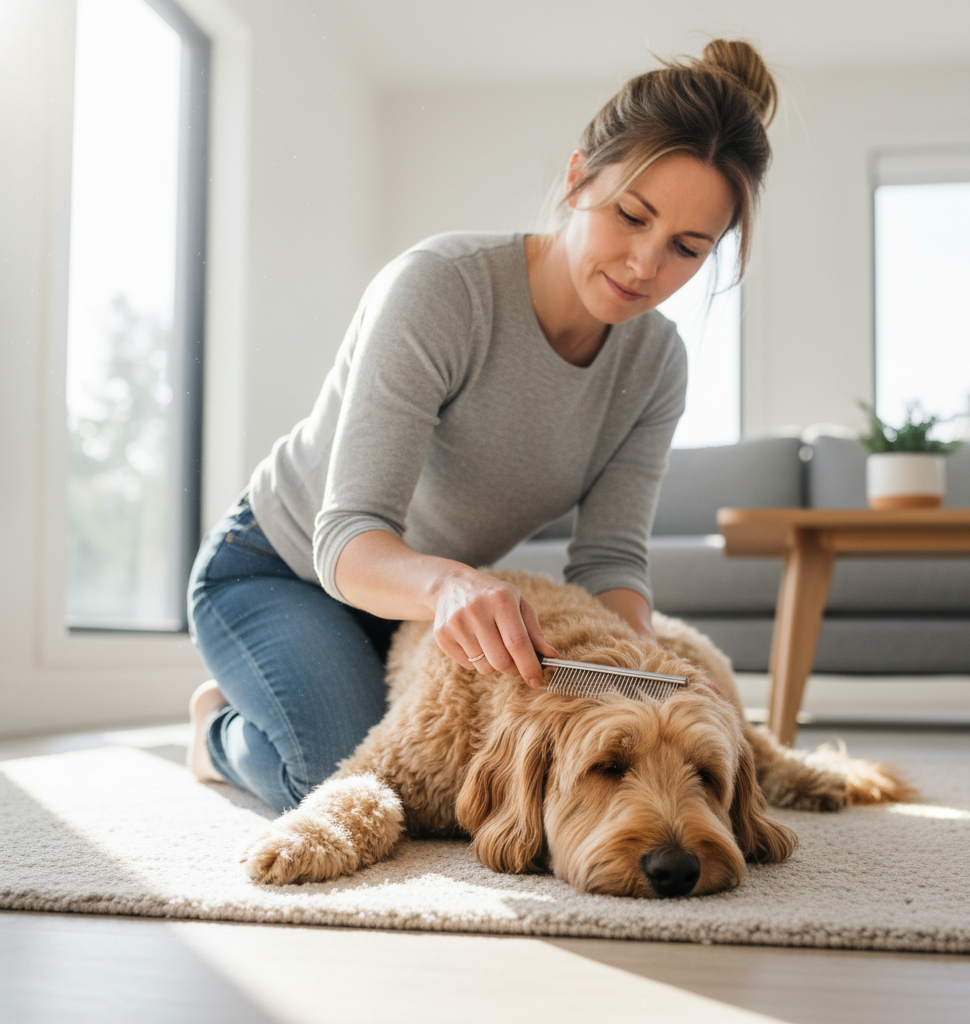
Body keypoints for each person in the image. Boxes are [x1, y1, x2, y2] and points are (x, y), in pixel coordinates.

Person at [186, 39, 778, 812]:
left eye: (687, 249)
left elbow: (608, 561)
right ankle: (213, 734)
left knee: (470, 778)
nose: (644, 264)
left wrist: (646, 660)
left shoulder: (656, 363)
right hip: (281, 570)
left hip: (415, 619)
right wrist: (452, 582)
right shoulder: (443, 289)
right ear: (577, 179)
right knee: (338, 774)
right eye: (632, 216)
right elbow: (347, 537)